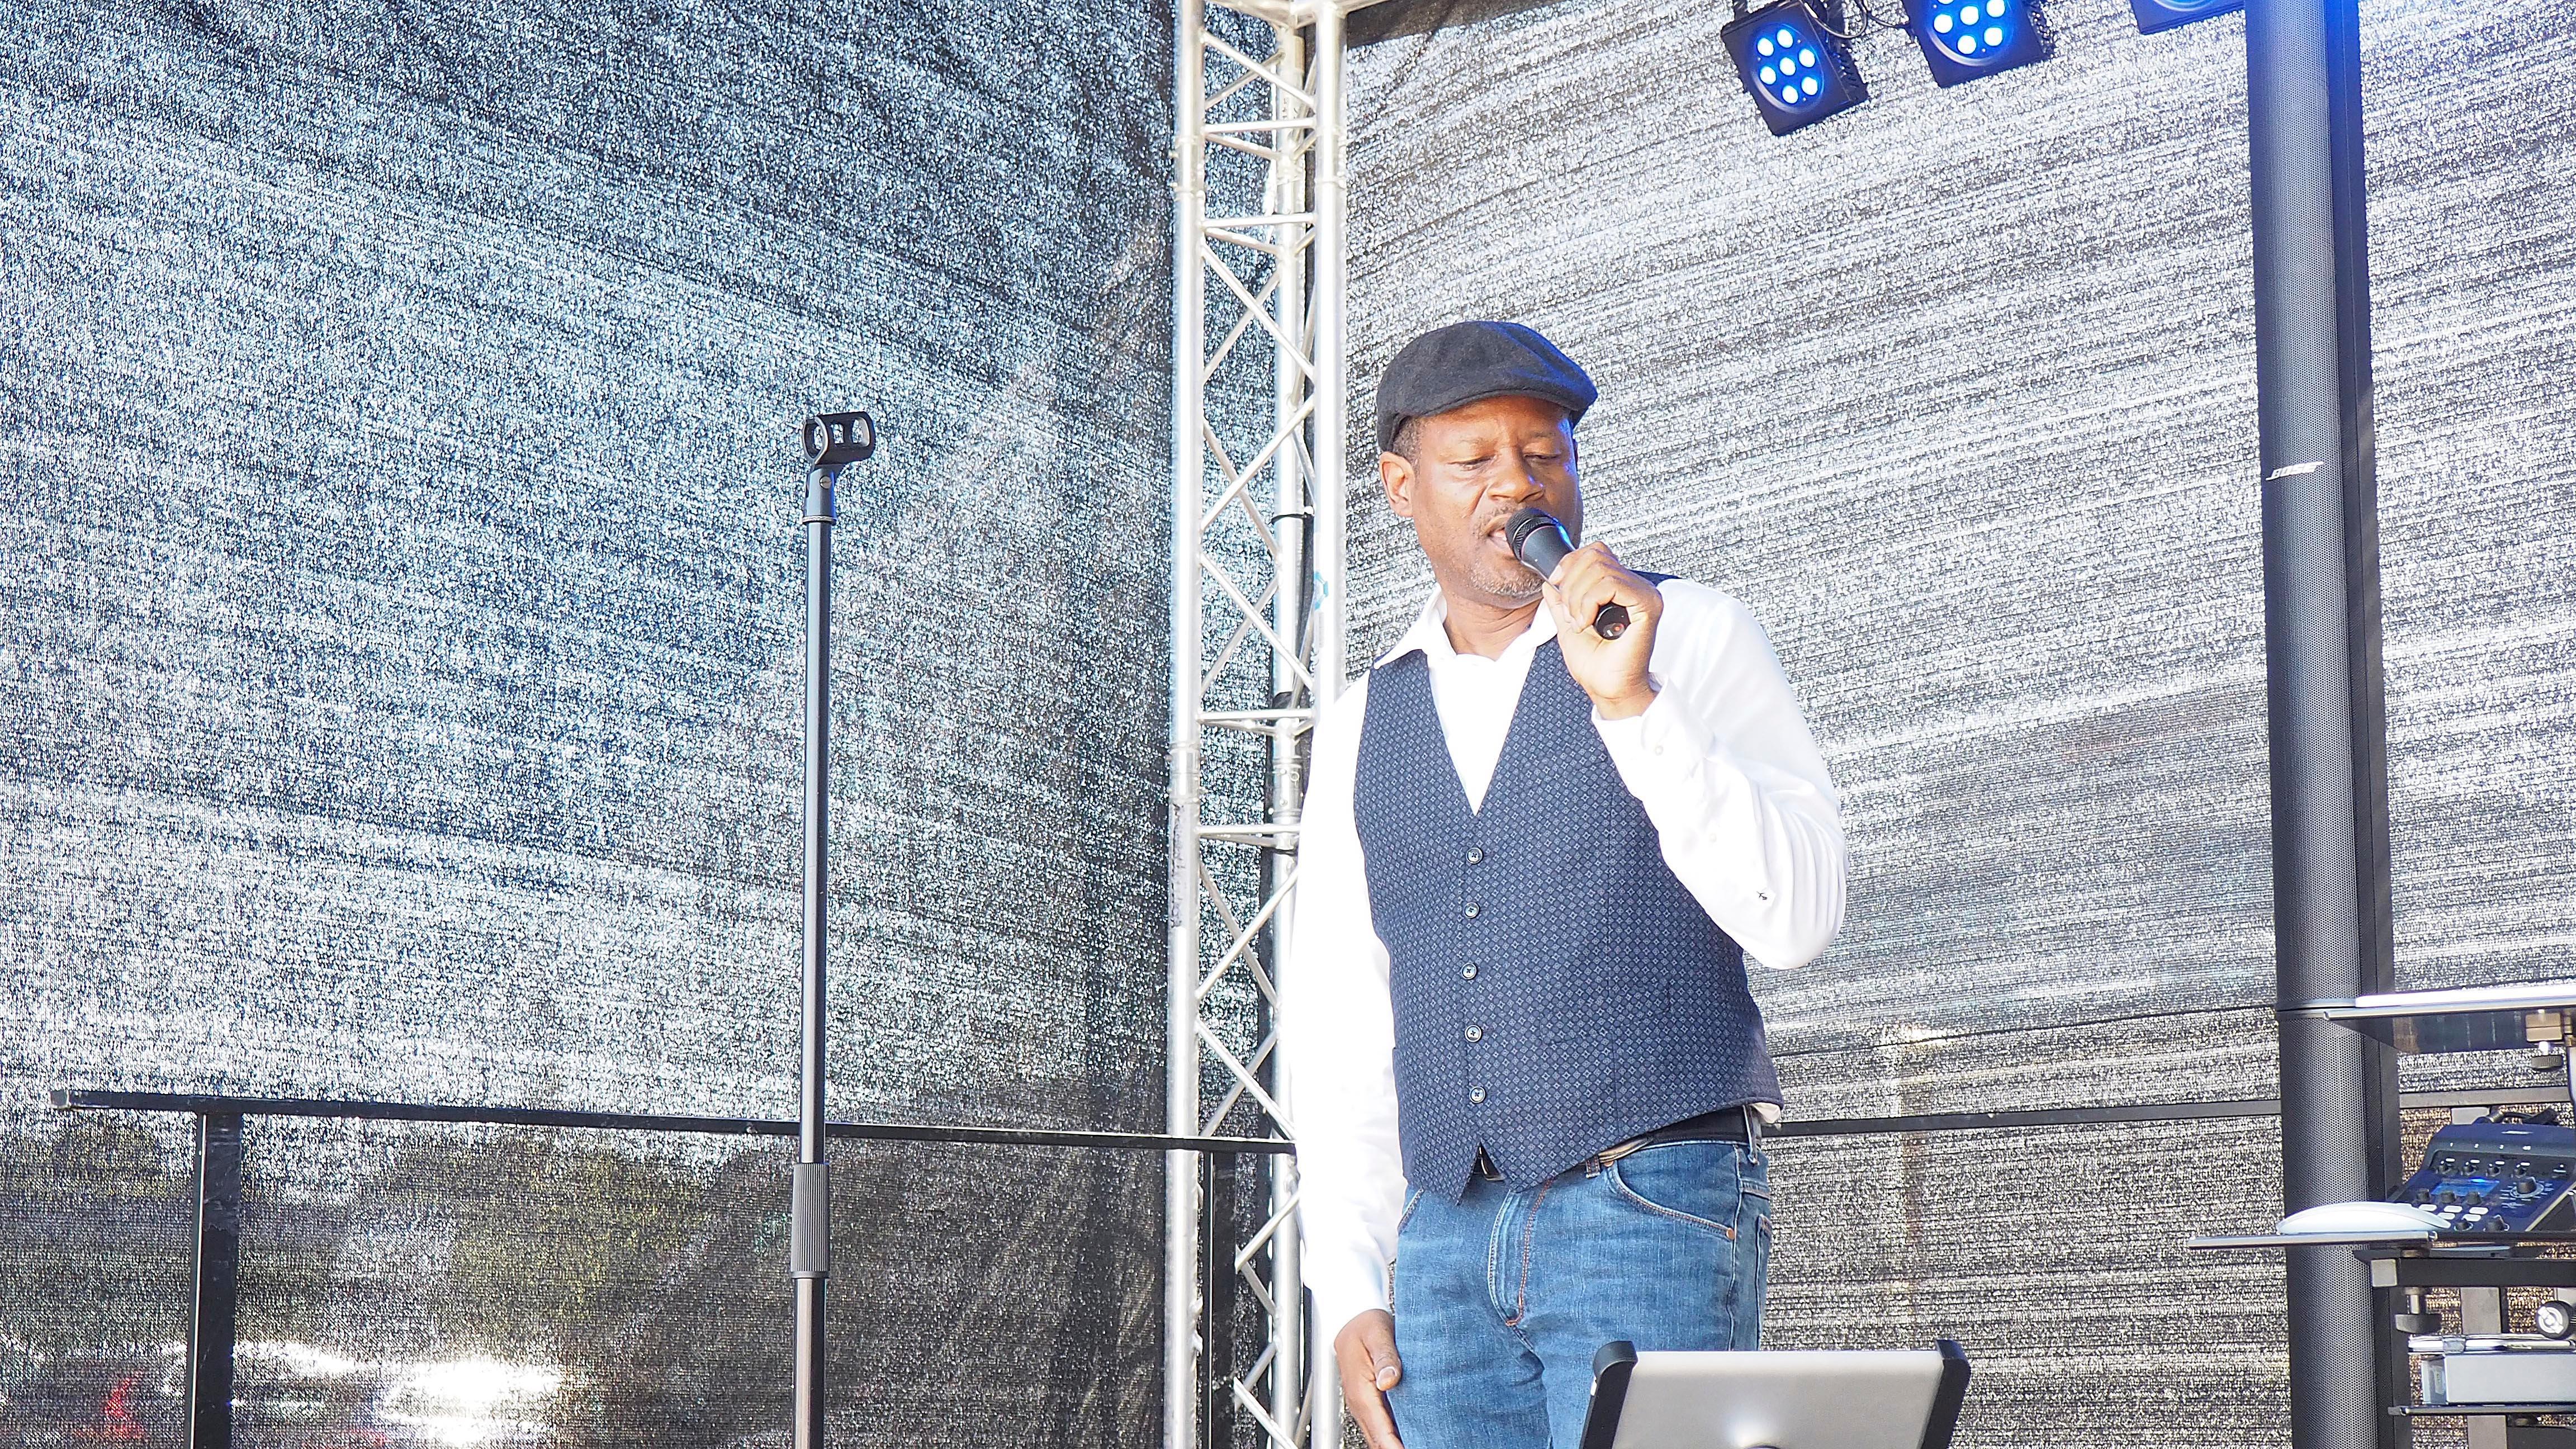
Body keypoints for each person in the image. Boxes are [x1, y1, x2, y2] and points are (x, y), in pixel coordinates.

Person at [1280, 320, 1847, 1449]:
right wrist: (1346, 1280)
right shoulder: (1362, 721)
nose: (1518, 485)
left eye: (1545, 454)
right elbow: (1341, 1021)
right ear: (1400, 486)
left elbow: (1799, 915)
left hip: (1648, 1200)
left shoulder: (1692, 636)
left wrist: (1634, 705)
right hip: (1440, 1238)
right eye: (1475, 460)